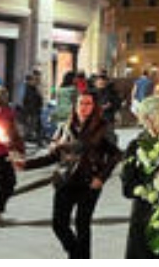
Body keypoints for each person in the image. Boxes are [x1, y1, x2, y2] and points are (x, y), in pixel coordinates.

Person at [18, 91, 123, 258]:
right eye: (81, 103)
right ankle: (77, 255)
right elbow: (53, 157)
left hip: (89, 182)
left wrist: (101, 177)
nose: (84, 107)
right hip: (65, 181)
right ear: (75, 106)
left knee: (82, 225)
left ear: (94, 106)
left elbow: (116, 154)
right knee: (58, 224)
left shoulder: (102, 128)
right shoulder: (64, 127)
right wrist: (25, 165)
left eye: (88, 104)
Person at [120, 96, 159, 258]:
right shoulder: (135, 147)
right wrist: (155, 179)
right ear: (149, 119)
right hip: (145, 220)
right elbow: (127, 188)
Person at [0, 85, 24, 221]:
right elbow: (16, 131)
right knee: (7, 182)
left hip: (2, 153)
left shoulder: (8, 112)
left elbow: (15, 131)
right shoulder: (4, 112)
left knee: (3, 182)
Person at [20, 73, 46, 145]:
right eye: (35, 80)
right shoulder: (28, 89)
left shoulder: (34, 89)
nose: (37, 81)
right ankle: (32, 139)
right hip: (31, 111)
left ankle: (37, 140)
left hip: (35, 111)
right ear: (30, 81)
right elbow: (28, 101)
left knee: (37, 127)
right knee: (33, 126)